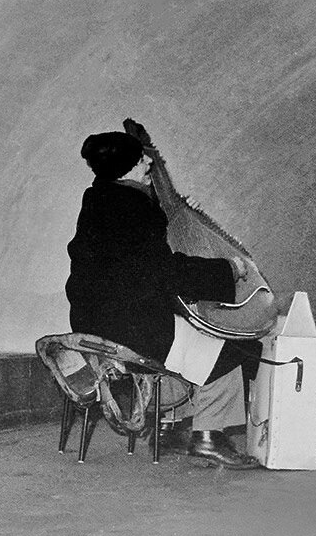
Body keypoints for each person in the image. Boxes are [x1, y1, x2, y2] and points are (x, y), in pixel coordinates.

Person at [65, 129, 261, 469]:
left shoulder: (99, 199)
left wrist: (177, 216)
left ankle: (170, 430)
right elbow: (166, 272)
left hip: (92, 321)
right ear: (127, 168)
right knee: (225, 348)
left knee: (183, 345)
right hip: (130, 326)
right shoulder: (133, 208)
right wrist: (227, 269)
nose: (148, 162)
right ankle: (209, 437)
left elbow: (137, 264)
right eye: (141, 158)